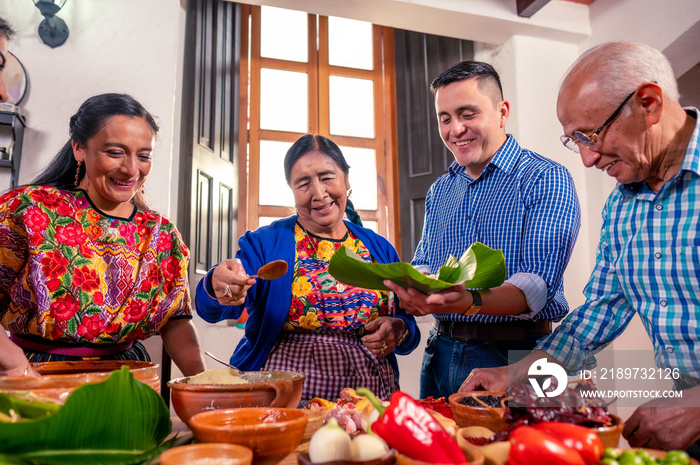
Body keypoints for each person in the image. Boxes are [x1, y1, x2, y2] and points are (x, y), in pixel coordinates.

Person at [461, 42, 700, 456]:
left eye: (590, 136)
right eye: (575, 141)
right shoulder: (621, 206)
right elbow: (600, 311)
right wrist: (519, 373)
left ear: (649, 103)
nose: (587, 159)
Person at [384, 60, 581, 399]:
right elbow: (426, 262)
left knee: (517, 452)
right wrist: (410, 288)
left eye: (467, 113)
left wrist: (467, 301)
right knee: (439, 451)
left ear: (502, 112)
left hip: (517, 355)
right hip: (440, 351)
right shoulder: (439, 190)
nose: (455, 129)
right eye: (444, 119)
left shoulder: (546, 178)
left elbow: (535, 288)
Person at [195, 134, 420, 405]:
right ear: (291, 189)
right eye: (303, 184)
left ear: (346, 179)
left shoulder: (379, 248)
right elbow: (214, 308)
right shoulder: (265, 243)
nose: (319, 193)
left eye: (327, 178)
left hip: (368, 399)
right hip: (282, 397)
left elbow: (408, 326)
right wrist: (217, 285)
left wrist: (399, 329)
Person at [0, 91, 206, 377]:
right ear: (79, 149)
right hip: (38, 373)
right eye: (115, 152)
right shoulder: (30, 210)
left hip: (131, 376)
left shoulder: (161, 233)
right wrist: (15, 366)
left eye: (144, 156)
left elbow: (175, 321)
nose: (131, 169)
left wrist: (205, 387)